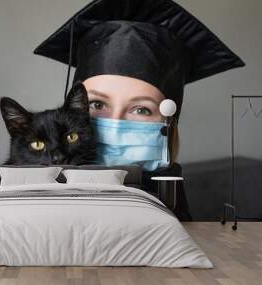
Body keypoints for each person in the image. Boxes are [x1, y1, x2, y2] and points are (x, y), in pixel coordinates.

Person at [33, 0, 245, 220]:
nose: (114, 125)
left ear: (168, 123)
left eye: (141, 109)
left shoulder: (169, 206)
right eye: (96, 104)